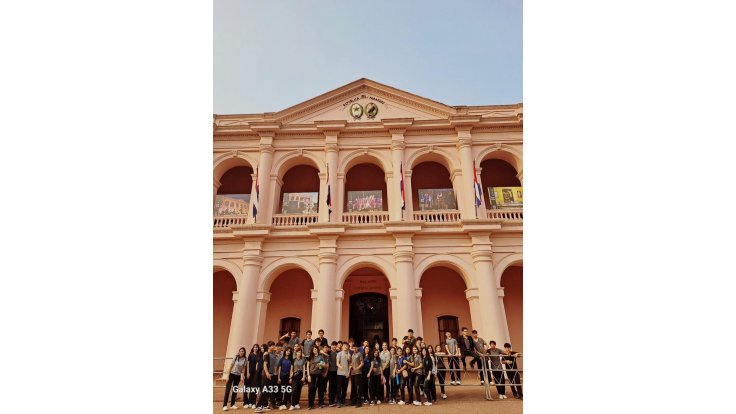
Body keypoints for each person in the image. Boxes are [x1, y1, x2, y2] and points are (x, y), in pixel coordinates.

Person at [306, 345, 323, 410]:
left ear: (317, 350)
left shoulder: (321, 357)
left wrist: (320, 365)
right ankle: (310, 404)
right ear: (312, 351)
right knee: (311, 389)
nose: (314, 351)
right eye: (313, 350)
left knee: (320, 390)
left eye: (315, 349)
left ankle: (320, 403)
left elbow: (321, 367)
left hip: (319, 375)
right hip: (311, 375)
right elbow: (307, 367)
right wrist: (308, 375)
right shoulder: (310, 357)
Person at [246, 344, 262, 408]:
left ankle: (253, 403)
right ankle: (249, 402)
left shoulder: (259, 355)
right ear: (253, 348)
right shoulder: (250, 355)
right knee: (250, 388)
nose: (256, 348)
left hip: (256, 374)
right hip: (250, 373)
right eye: (254, 347)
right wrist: (248, 373)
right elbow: (247, 364)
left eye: (257, 347)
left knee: (255, 388)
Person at [349, 344, 364, 408]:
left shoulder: (359, 354)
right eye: (353, 348)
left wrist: (357, 368)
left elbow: (362, 363)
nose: (354, 349)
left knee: (358, 388)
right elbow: (351, 363)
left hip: (358, 373)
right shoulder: (352, 354)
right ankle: (353, 401)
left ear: (357, 348)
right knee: (353, 388)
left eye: (356, 348)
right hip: (352, 373)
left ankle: (359, 402)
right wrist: (351, 366)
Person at [335, 343, 350, 407]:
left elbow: (350, 364)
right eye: (344, 346)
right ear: (342, 347)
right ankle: (338, 401)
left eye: (346, 346)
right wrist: (340, 366)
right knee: (339, 387)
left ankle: (343, 400)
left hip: (346, 374)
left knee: (345, 388)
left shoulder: (349, 354)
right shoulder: (339, 353)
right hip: (340, 373)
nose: (345, 347)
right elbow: (337, 363)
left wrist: (348, 373)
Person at [327, 342, 339, 407]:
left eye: (335, 345)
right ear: (331, 346)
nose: (334, 346)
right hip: (330, 372)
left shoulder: (338, 353)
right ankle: (330, 401)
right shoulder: (328, 352)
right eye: (333, 345)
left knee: (335, 386)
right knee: (331, 386)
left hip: (337, 372)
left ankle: (334, 400)